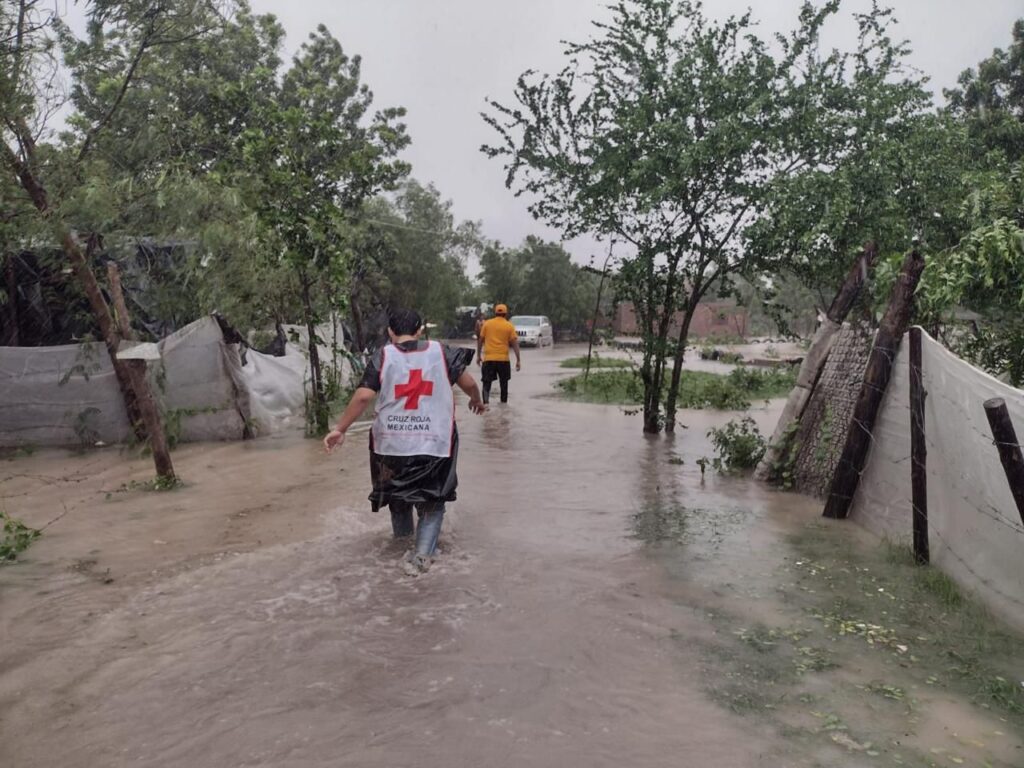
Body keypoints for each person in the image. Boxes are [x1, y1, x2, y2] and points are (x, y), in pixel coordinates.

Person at [324, 309, 486, 576]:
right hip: (435, 442)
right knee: (433, 501)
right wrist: (476, 399)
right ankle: (422, 557)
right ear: (420, 330)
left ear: (390, 332)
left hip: (391, 444)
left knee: (398, 496)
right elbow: (468, 383)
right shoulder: (442, 352)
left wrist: (340, 429)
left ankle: (399, 546)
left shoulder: (382, 355)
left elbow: (364, 396)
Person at [477, 303, 521, 404]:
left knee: (486, 384)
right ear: (506, 314)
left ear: (495, 313)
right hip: (503, 360)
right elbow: (515, 344)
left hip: (488, 359)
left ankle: (485, 406)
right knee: (504, 385)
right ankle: (503, 406)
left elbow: (480, 340)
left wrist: (478, 356)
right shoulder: (509, 326)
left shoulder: (487, 324)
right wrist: (518, 360)